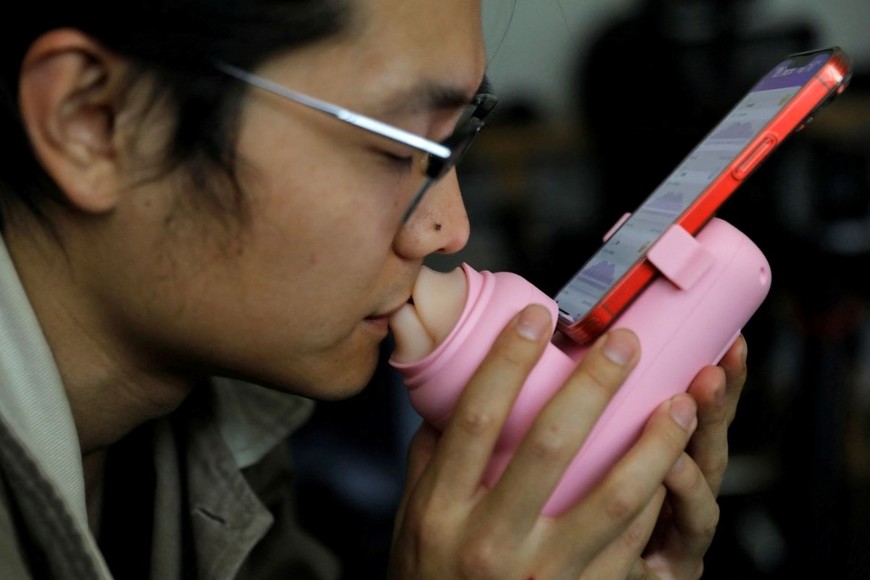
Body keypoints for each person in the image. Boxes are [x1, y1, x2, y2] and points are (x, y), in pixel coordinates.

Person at [0, 1, 748, 578]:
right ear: (95, 121)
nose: (450, 230)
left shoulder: (232, 440)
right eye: (402, 147)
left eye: (459, 138)